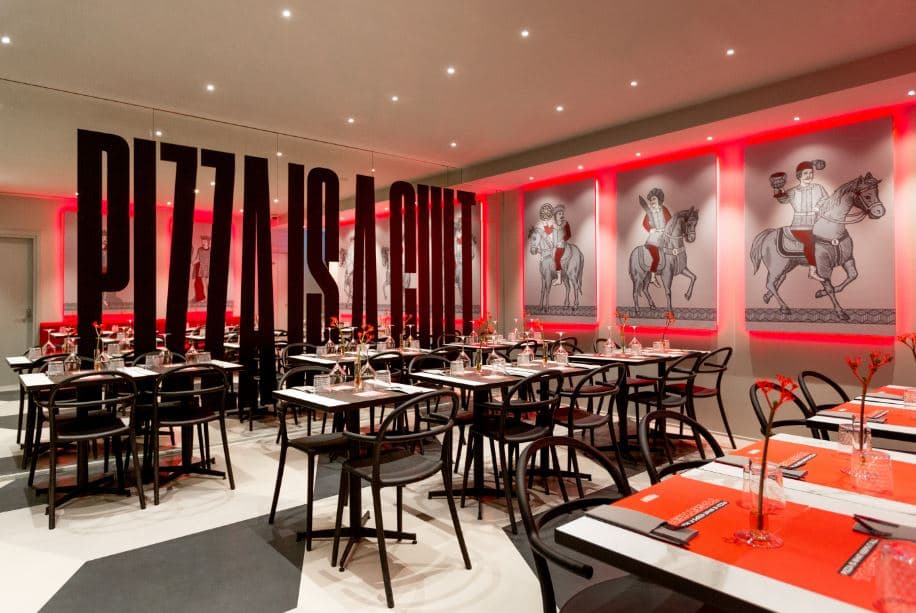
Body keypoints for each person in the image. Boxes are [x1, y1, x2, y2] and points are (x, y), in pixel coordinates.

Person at [776, 160, 828, 280]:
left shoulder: (819, 188)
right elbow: (783, 200)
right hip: (799, 226)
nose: (809, 176)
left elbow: (826, 198)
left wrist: (818, 207)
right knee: (810, 242)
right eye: (805, 173)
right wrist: (778, 190)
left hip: (817, 224)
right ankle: (812, 271)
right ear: (799, 175)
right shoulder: (793, 191)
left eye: (811, 173)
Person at [640, 187, 671, 287]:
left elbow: (670, 222)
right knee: (656, 257)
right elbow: (644, 223)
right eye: (651, 199)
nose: (652, 201)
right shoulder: (649, 212)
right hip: (653, 237)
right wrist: (651, 229)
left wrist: (666, 230)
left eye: (654, 199)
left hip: (665, 236)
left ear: (659, 199)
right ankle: (653, 278)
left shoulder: (664, 209)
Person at [191, 235, 211, 303]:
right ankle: (207, 299)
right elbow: (197, 259)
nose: (203, 242)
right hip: (202, 270)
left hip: (208, 269)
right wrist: (193, 262)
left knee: (207, 284)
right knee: (204, 285)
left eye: (204, 241)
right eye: (202, 241)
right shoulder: (199, 249)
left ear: (208, 242)